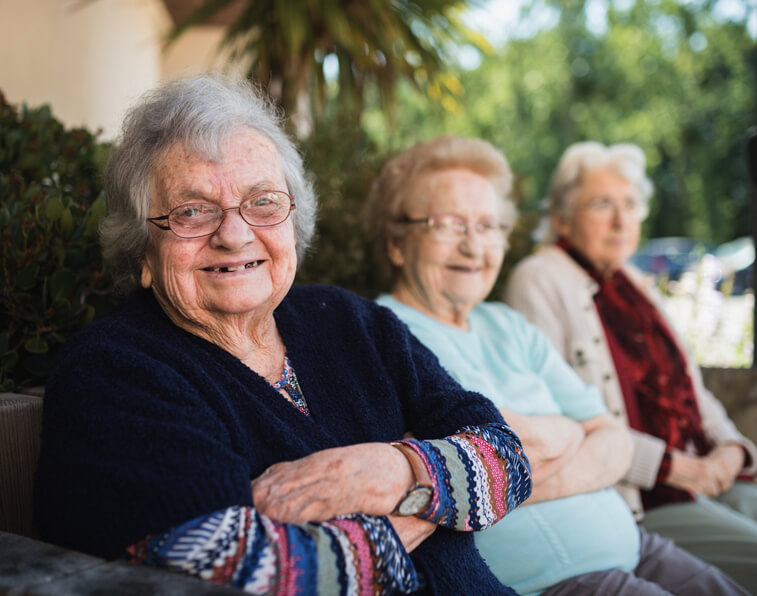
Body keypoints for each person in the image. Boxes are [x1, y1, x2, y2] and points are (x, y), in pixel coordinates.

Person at [33, 75, 533, 595]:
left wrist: (395, 470)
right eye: (192, 211)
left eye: (263, 202)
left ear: (293, 220)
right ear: (141, 253)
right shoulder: (114, 371)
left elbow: (507, 460)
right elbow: (241, 571)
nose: (234, 233)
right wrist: (429, 505)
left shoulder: (347, 320)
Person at [366, 135, 750, 596]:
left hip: (634, 544)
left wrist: (513, 473)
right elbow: (491, 454)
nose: (474, 246)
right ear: (396, 243)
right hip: (560, 577)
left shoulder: (507, 324)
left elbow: (611, 439)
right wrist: (570, 436)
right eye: (448, 225)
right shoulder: (386, 334)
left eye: (489, 226)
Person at [505, 140, 757, 592]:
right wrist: (675, 469)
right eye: (603, 204)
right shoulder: (539, 278)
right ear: (561, 217)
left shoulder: (634, 281)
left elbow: (690, 387)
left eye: (631, 204)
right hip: (646, 500)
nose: (622, 220)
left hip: (706, 475)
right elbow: (556, 417)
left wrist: (732, 447)